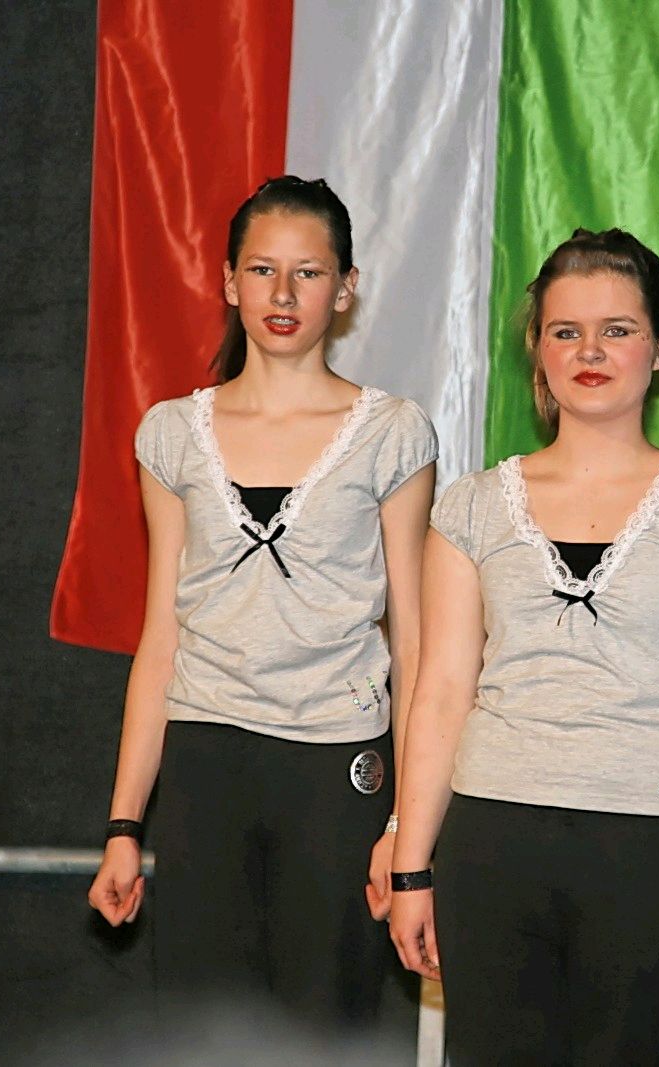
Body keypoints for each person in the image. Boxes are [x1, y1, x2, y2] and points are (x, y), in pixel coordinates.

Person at [387, 228, 659, 1064]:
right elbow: (442, 692)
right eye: (566, 331)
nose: (590, 351)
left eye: (617, 329)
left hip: (643, 845)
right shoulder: (471, 506)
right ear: (539, 347)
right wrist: (411, 866)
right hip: (492, 843)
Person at [85, 176, 437, 1028]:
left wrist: (407, 824)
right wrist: (125, 823)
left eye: (308, 273)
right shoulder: (171, 433)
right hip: (206, 756)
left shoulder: (392, 432)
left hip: (337, 765)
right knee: (206, 1027)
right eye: (262, 270)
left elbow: (417, 642)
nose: (283, 294)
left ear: (345, 288)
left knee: (326, 1026)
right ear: (228, 281)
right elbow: (161, 637)